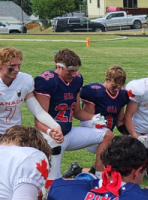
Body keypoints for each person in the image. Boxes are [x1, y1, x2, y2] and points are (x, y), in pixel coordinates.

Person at [34, 49, 112, 180]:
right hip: (49, 137)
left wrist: (93, 118)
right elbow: (39, 119)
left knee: (107, 134)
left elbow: (76, 112)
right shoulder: (48, 81)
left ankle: (99, 178)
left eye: (75, 71)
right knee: (54, 182)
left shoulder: (76, 80)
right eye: (70, 71)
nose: (74, 74)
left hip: (68, 133)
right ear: (59, 67)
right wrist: (50, 131)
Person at [0, 47, 62, 143]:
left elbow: (38, 111)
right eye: (12, 66)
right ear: (0, 65)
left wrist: (55, 126)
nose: (16, 69)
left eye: (18, 65)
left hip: (15, 134)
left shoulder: (25, 80)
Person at [78, 64, 130, 148]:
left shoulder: (122, 95)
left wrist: (130, 136)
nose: (117, 89)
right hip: (93, 134)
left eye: (119, 87)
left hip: (108, 135)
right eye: (114, 86)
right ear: (107, 80)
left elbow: (119, 122)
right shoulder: (95, 92)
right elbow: (89, 121)